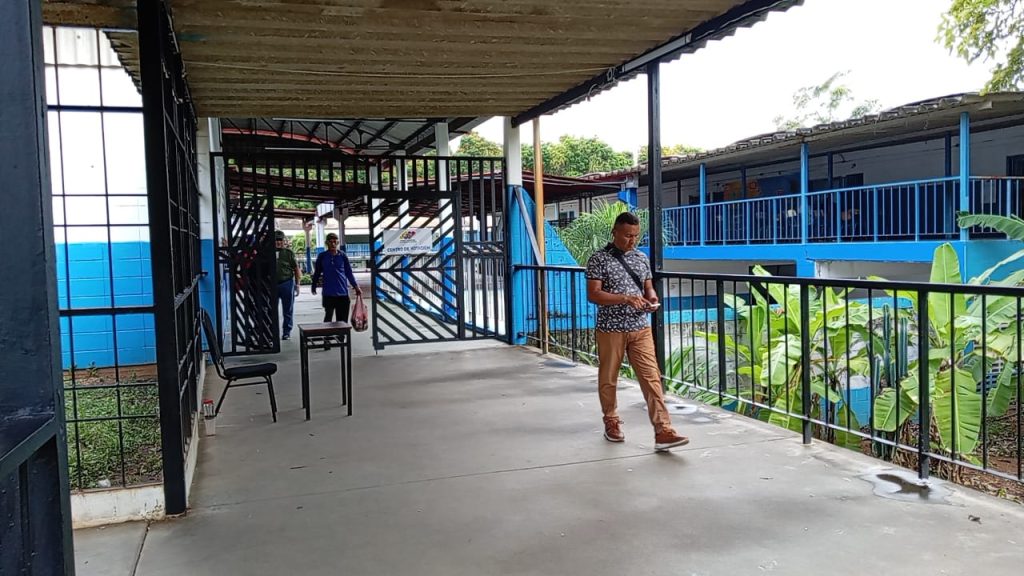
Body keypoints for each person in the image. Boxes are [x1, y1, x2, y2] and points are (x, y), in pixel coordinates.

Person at [585, 212, 689, 452]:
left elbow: (648, 287)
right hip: (611, 328)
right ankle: (611, 421)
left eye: (635, 236)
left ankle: (663, 430)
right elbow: (594, 294)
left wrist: (652, 300)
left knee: (651, 377)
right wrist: (626, 298)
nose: (631, 240)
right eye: (627, 235)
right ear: (614, 232)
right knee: (609, 377)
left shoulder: (641, 258)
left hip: (640, 327)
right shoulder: (598, 259)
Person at [311, 232, 362, 323]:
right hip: (328, 293)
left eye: (335, 241)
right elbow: (317, 272)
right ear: (326, 243)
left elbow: (349, 272)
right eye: (330, 242)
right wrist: (313, 285)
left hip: (342, 293)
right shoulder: (322, 256)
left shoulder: (342, 256)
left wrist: (356, 286)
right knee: (328, 318)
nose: (333, 244)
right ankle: (327, 333)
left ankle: (341, 333)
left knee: (342, 321)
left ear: (338, 243)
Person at [275, 230, 301, 340]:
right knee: (271, 310)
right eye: (276, 240)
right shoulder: (268, 252)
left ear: (283, 241)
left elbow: (296, 269)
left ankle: (286, 332)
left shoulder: (288, 253)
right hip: (272, 285)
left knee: (288, 310)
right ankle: (272, 332)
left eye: (280, 240)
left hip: (287, 283)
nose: (278, 242)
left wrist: (297, 285)